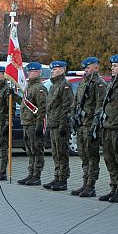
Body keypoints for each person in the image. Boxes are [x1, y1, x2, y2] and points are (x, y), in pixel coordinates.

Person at [94, 54, 118, 202]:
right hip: (107, 128)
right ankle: (113, 187)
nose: (112, 67)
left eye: (115, 65)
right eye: (112, 65)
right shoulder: (112, 84)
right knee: (109, 159)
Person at [69, 57, 106, 197]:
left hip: (90, 125)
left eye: (88, 67)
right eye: (85, 67)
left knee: (92, 157)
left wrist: (95, 125)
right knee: (84, 156)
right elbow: (76, 102)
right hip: (81, 125)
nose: (86, 69)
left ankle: (91, 185)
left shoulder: (99, 84)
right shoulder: (83, 82)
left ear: (96, 68)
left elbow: (100, 105)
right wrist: (73, 117)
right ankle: (85, 183)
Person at [14, 62, 48, 186]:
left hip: (34, 124)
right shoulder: (29, 87)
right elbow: (25, 104)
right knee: (30, 151)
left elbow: (42, 109)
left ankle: (36, 176)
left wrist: (40, 126)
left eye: (32, 71)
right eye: (29, 71)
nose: (29, 73)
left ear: (38, 73)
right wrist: (15, 96)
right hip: (27, 123)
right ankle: (31, 173)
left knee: (37, 150)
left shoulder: (39, 88)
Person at [43, 61, 74, 191]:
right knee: (55, 153)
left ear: (62, 70)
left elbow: (67, 107)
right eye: (52, 70)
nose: (52, 72)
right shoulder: (53, 86)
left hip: (60, 125)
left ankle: (63, 179)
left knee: (62, 153)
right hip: (53, 123)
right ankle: (57, 176)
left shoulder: (65, 86)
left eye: (55, 70)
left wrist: (63, 124)